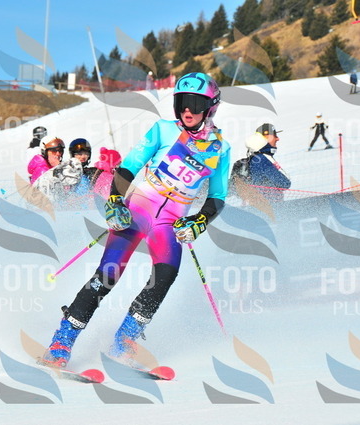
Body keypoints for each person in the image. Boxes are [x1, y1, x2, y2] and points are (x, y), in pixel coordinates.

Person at [41, 72, 230, 368]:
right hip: (137, 212)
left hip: (169, 224)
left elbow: (217, 197)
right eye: (181, 102)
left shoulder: (221, 149)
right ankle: (60, 343)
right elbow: (128, 167)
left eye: (195, 103)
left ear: (211, 107)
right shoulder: (163, 130)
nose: (187, 109)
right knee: (108, 274)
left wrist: (199, 221)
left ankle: (124, 343)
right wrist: (116, 200)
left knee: (164, 277)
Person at [231, 124, 291, 202]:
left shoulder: (256, 158)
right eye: (274, 135)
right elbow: (284, 183)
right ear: (265, 137)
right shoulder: (263, 159)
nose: (277, 139)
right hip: (271, 205)